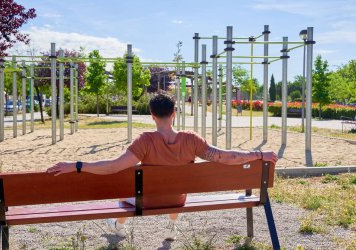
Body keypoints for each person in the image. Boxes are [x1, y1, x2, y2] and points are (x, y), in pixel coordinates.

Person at [47, 93, 277, 240]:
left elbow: (113, 167)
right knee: (176, 184)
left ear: (152, 116)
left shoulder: (144, 141)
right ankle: (171, 227)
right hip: (176, 200)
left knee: (127, 195)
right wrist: (258, 154)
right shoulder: (191, 140)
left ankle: (117, 224)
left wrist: (76, 165)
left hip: (145, 201)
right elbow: (224, 157)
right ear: (174, 113)